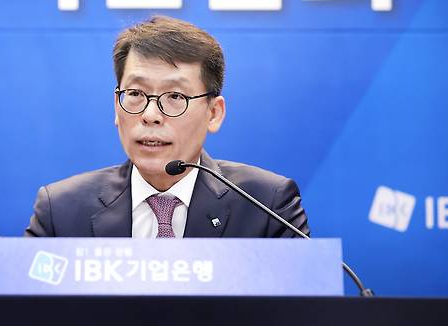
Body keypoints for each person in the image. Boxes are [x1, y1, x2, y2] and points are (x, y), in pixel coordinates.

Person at [25, 16, 309, 238]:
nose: (150, 115)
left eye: (175, 97)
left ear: (214, 113)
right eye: (135, 94)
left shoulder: (267, 207)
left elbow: (299, 311)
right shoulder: (60, 210)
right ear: (116, 105)